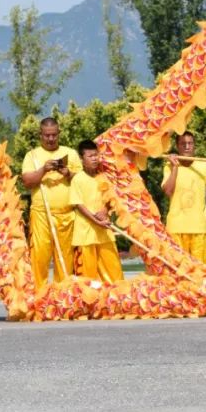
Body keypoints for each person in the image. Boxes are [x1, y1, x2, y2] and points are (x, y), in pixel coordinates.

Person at [20, 117, 79, 288]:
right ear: (41, 135)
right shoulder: (32, 155)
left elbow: (82, 181)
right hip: (41, 214)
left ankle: (63, 294)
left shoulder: (70, 153)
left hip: (66, 214)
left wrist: (67, 173)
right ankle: (39, 294)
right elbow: (27, 181)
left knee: (65, 257)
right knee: (39, 255)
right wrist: (43, 170)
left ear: (59, 133)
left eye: (54, 135)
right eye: (47, 135)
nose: (51, 139)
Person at [69, 140, 123, 284]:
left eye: (96, 155)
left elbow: (111, 199)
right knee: (87, 280)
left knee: (115, 275)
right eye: (90, 156)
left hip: (105, 233)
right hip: (85, 236)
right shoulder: (77, 179)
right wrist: (96, 220)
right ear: (81, 159)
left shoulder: (104, 177)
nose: (94, 159)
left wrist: (105, 210)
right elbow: (78, 205)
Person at [162, 132, 206, 265]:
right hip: (176, 228)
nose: (187, 147)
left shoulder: (203, 165)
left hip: (198, 228)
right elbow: (168, 191)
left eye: (190, 143)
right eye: (183, 144)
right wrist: (175, 167)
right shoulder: (169, 166)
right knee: (177, 270)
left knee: (199, 271)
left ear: (194, 146)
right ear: (177, 146)